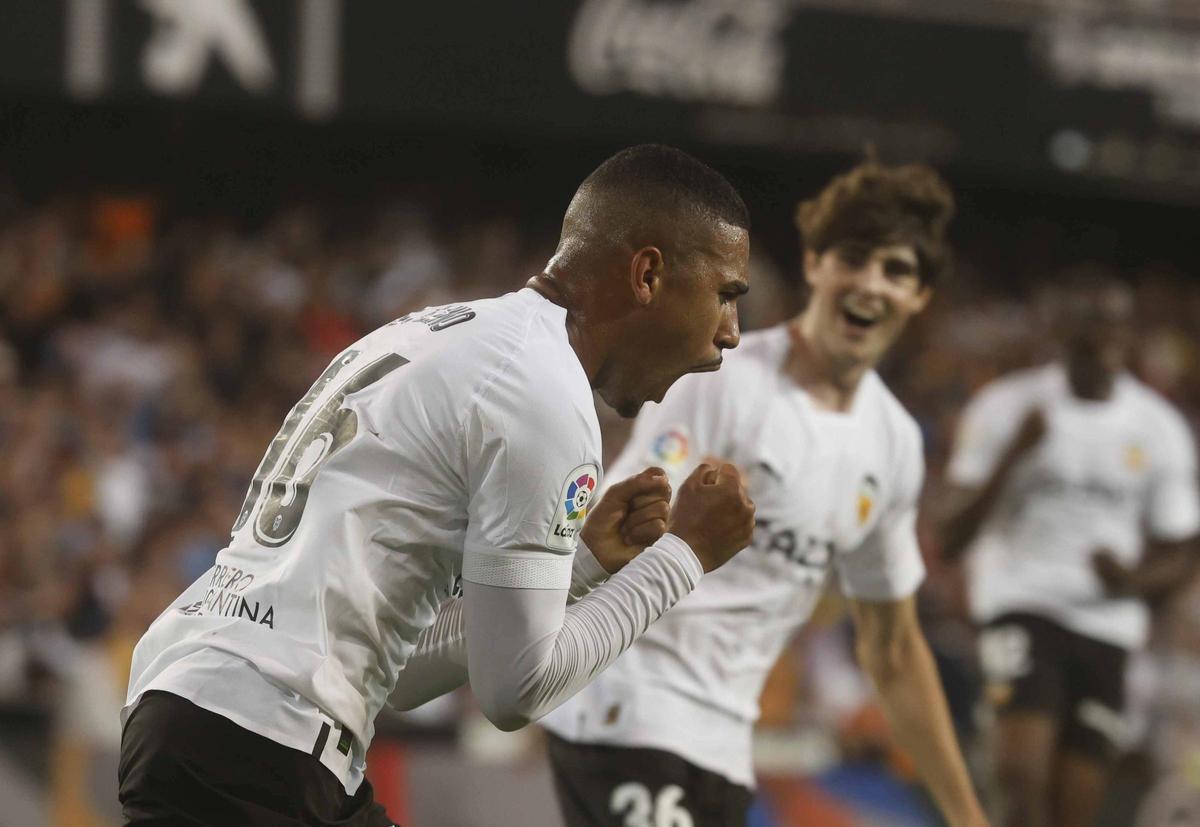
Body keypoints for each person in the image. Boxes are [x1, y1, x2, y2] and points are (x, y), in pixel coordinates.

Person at [117, 144, 758, 826]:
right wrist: (685, 554)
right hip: (262, 743)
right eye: (725, 294)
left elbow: (398, 674)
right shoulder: (542, 392)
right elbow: (517, 690)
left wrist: (584, 565)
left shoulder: (443, 334)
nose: (731, 334)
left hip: (206, 714)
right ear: (648, 274)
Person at [540, 158, 989, 827]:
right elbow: (618, 523)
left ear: (919, 296)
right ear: (815, 264)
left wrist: (966, 814)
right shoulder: (726, 379)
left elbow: (893, 650)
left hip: (723, 747)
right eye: (854, 259)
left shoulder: (893, 442)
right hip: (629, 711)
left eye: (896, 271)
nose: (870, 284)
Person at [940, 272, 1200, 827]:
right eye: (1085, 322)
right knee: (1019, 776)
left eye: (1111, 321)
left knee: (1074, 805)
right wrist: (1014, 457)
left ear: (1129, 331)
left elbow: (1182, 549)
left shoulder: (1158, 427)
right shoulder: (1007, 407)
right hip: (1021, 601)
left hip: (1108, 625)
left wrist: (1132, 580)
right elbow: (950, 533)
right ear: (1058, 331)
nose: (1099, 334)